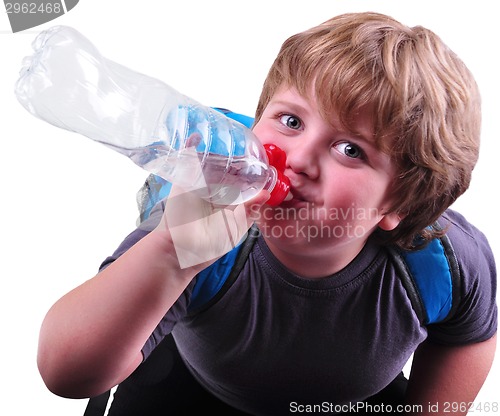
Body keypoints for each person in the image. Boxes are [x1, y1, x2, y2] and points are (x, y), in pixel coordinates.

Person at [37, 12, 497, 415]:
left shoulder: (441, 262)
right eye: (291, 121)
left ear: (401, 205)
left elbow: (469, 336)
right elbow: (66, 374)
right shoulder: (202, 224)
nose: (296, 158)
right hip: (190, 382)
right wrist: (172, 257)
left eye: (350, 149)